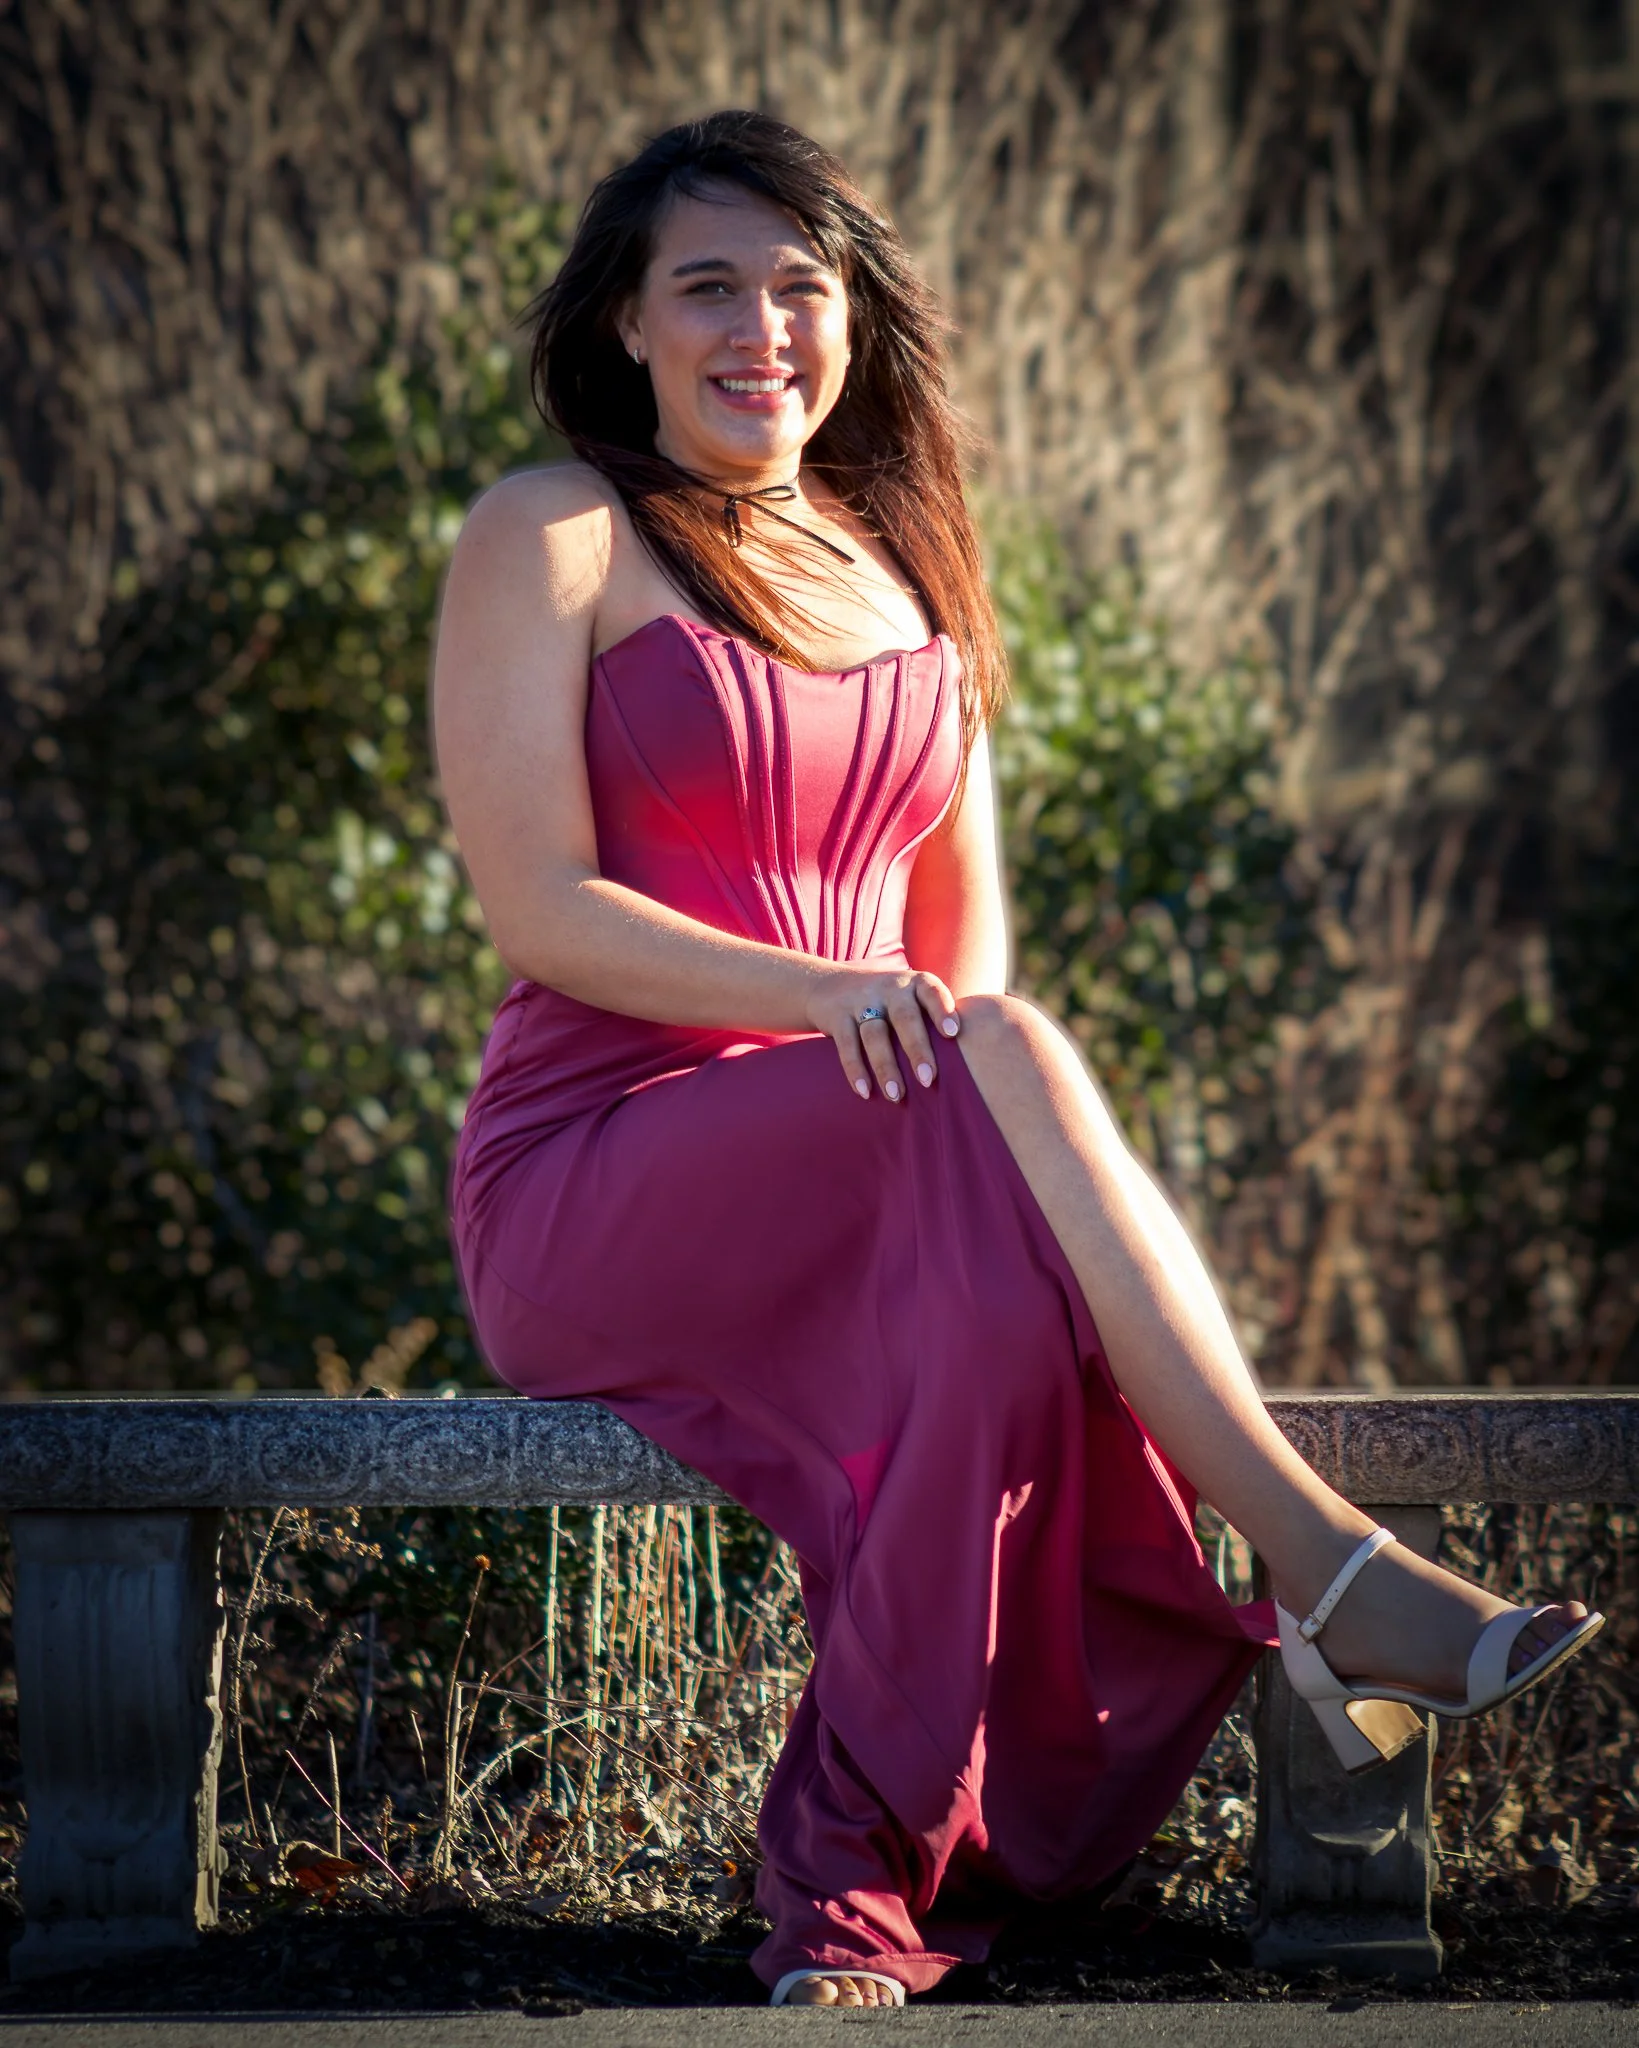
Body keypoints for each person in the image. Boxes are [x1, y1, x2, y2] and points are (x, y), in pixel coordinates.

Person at [429, 109, 1602, 2009]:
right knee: (998, 1089)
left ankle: (850, 1886)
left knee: (992, 1325)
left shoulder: (905, 569)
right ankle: (1326, 1573)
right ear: (626, 325)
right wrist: (830, 999)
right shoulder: (553, 531)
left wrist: (942, 1123)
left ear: (852, 318)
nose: (759, 329)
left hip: (871, 1146)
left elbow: (963, 961)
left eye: (798, 287)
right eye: (705, 287)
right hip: (600, 1166)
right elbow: (541, 908)